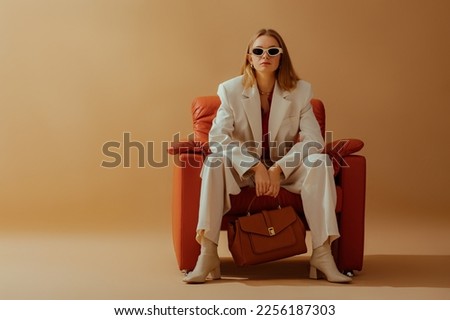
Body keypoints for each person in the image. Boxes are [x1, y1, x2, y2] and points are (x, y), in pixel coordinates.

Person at [183, 29, 352, 284]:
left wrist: (277, 169)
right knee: (214, 161)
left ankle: (322, 253)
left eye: (273, 51)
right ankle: (207, 253)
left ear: (281, 57)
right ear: (249, 57)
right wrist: (254, 166)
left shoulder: (301, 91)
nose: (266, 56)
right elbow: (218, 138)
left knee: (320, 161)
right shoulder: (229, 90)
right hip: (243, 171)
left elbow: (313, 141)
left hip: (285, 170)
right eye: (259, 51)